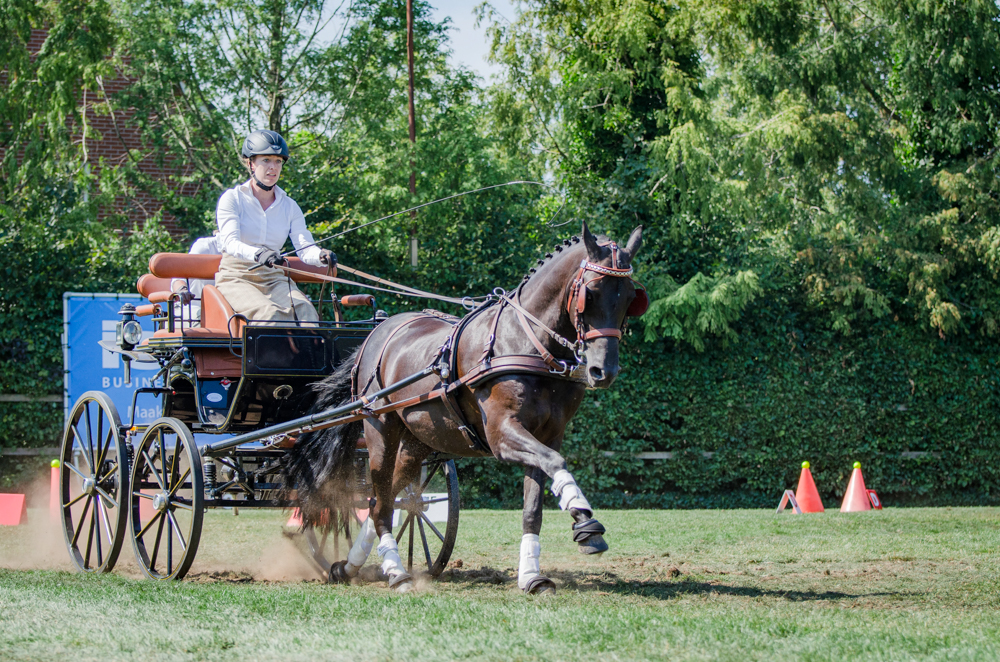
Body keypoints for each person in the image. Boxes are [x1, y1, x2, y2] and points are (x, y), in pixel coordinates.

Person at [213, 130, 335, 322]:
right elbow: (230, 243)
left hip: (273, 277)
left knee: (306, 312)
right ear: (251, 163)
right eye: (266, 160)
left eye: (278, 161)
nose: (273, 167)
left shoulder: (290, 206)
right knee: (269, 314)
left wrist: (320, 256)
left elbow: (304, 247)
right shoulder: (232, 198)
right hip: (237, 276)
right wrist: (258, 254)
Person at [170, 232, 220, 325]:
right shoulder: (206, 247)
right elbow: (179, 276)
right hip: (191, 309)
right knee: (208, 320)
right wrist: (182, 290)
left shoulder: (245, 250)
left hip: (226, 313)